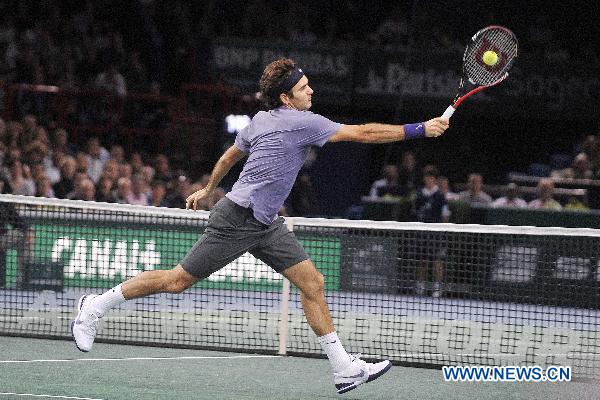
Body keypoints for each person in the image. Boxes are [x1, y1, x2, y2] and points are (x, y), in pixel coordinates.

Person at [71, 58, 449, 394]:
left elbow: (231, 154)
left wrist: (209, 186)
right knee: (176, 282)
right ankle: (95, 305)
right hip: (237, 219)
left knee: (312, 283)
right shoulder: (304, 123)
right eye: (303, 88)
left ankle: (344, 369)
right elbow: (363, 133)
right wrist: (421, 129)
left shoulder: (260, 120)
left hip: (267, 223)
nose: (310, 90)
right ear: (287, 98)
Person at [413, 165, 449, 298]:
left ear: (434, 179)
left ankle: (437, 287)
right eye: (426, 177)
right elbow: (416, 211)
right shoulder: (419, 194)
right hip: (422, 232)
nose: (428, 180)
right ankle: (420, 286)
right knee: (422, 260)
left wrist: (443, 230)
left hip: (436, 232)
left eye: (431, 178)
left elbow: (445, 214)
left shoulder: (440, 195)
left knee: (438, 261)